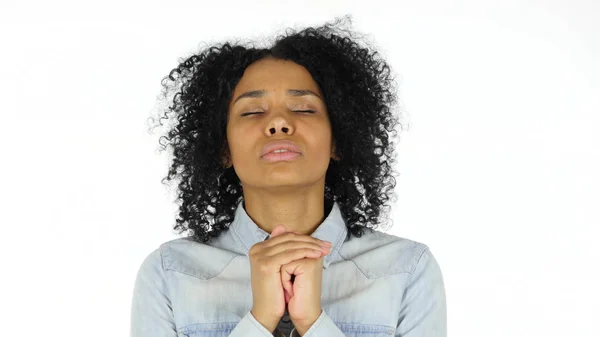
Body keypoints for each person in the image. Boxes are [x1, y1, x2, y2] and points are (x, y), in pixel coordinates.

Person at [131, 15, 446, 337]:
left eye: (304, 109)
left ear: (337, 140)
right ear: (223, 147)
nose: (279, 123)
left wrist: (312, 321)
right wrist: (261, 318)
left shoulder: (406, 268)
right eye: (253, 111)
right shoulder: (170, 272)